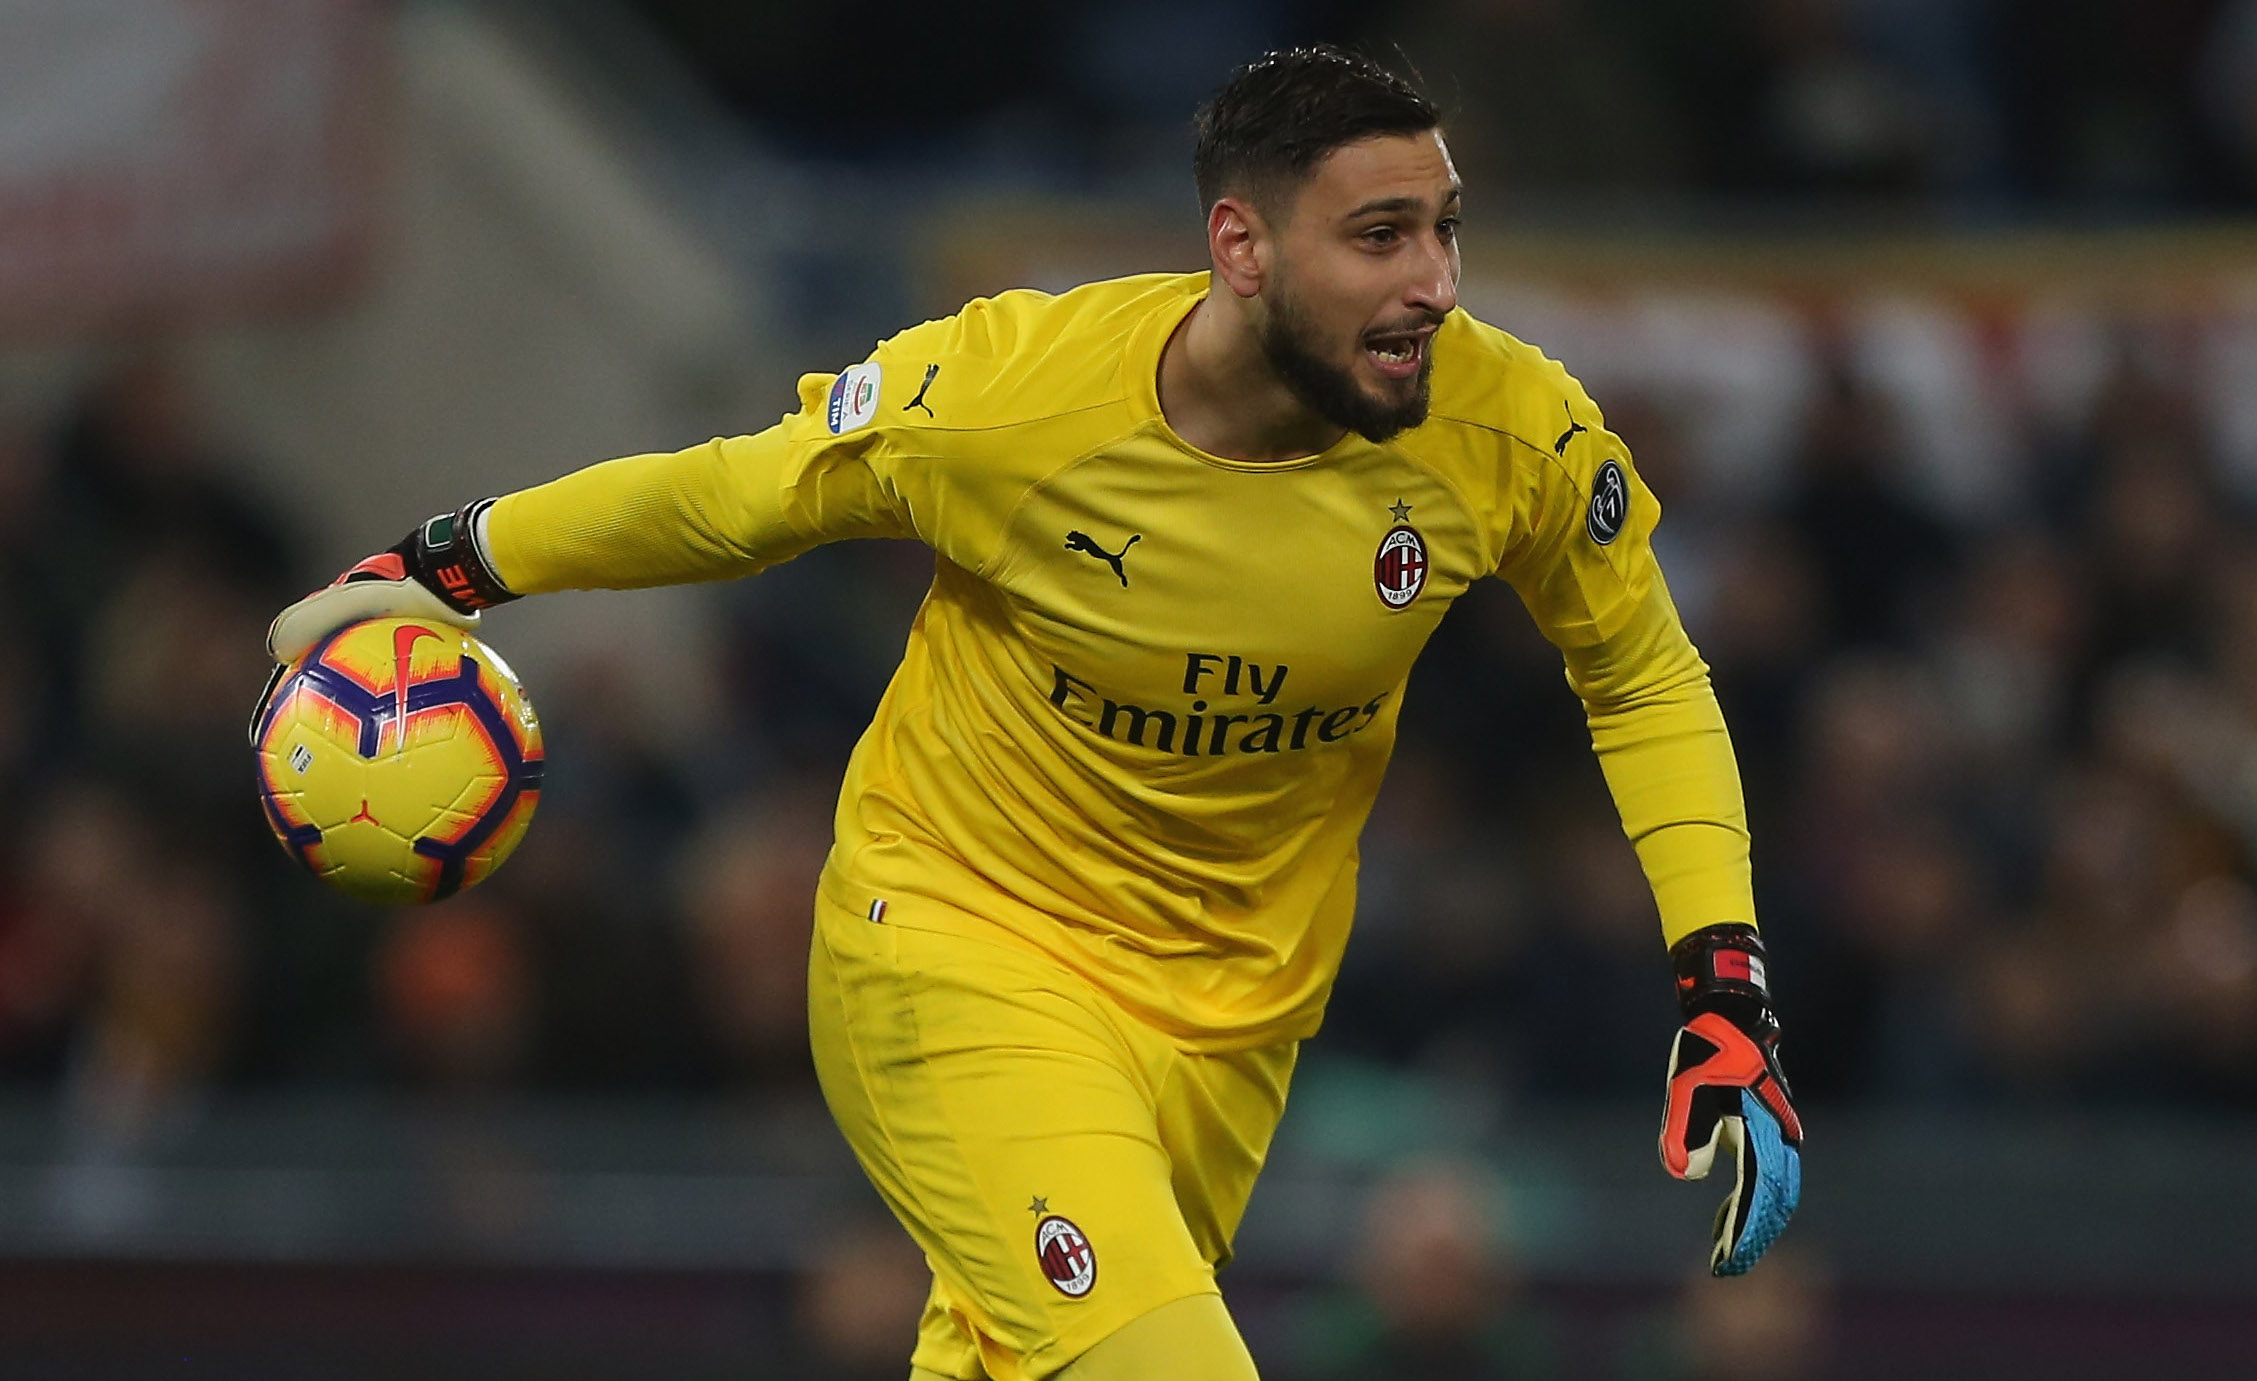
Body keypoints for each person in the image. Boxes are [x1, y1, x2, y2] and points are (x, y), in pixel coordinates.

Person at [265, 46, 1802, 1381]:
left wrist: (1721, 982)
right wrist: (445, 563)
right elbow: (734, 496)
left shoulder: (1504, 427)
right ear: (1241, 247)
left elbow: (1643, 673)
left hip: (1226, 1019)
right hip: (957, 949)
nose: (1433, 286)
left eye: (1446, 231)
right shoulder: (1013, 398)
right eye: (1380, 236)